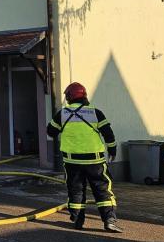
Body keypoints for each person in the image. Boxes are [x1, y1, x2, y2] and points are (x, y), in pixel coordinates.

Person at [47, 82, 122, 233]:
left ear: (69, 97)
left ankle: (77, 220)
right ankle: (109, 220)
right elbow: (108, 134)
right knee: (102, 190)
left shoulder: (62, 114)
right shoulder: (95, 113)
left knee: (75, 190)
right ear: (85, 96)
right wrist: (112, 150)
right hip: (95, 162)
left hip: (72, 161)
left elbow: (50, 132)